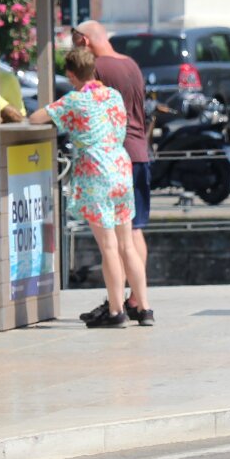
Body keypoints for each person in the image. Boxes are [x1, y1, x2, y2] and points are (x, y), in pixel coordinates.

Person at [30, 48, 151, 328]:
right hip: (121, 166)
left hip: (95, 170)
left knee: (108, 247)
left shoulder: (74, 99)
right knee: (127, 245)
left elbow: (38, 117)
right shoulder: (113, 95)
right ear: (94, 70)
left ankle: (116, 311)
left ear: (71, 74)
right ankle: (144, 309)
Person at [71, 20, 153, 325]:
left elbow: (83, 106)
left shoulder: (97, 68)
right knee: (134, 231)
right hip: (140, 152)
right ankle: (137, 300)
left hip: (113, 158)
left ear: (84, 41)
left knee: (116, 237)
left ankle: (118, 302)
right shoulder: (130, 63)